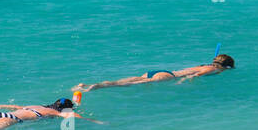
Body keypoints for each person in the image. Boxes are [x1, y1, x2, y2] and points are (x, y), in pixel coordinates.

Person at [74, 54, 235, 96]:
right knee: (129, 84)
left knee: (124, 81)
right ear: (226, 66)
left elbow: (196, 70)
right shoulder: (212, 69)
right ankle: (96, 88)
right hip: (168, 77)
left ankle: (88, 85)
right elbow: (194, 76)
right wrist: (181, 84)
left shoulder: (204, 64)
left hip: (161, 71)